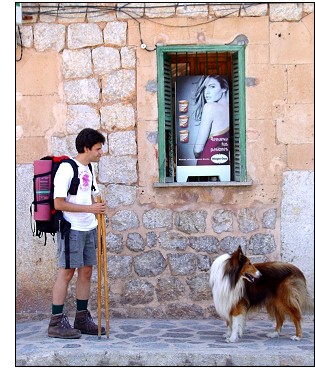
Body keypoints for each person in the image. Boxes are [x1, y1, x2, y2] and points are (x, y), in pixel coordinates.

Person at [48, 128, 106, 339]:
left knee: (86, 272)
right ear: (86, 148)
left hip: (89, 227)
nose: (101, 153)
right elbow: (59, 203)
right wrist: (90, 209)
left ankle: (81, 318)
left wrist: (97, 206)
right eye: (98, 149)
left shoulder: (88, 168)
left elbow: (92, 196)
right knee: (66, 272)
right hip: (72, 228)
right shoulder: (66, 168)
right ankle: (55, 322)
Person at [192, 75, 230, 165]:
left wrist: (196, 155)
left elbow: (198, 149)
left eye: (212, 87)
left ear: (224, 88)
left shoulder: (210, 107)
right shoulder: (232, 111)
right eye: (205, 88)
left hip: (207, 164)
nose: (207, 92)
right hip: (224, 166)